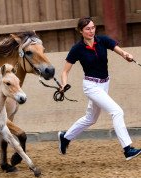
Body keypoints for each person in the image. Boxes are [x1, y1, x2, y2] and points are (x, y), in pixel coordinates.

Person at [58, 16, 141, 160]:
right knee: (117, 112)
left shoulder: (102, 40)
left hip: (104, 83)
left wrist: (125, 55)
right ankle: (127, 149)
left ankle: (65, 137)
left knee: (91, 118)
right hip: (91, 86)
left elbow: (118, 50)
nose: (91, 31)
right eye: (87, 29)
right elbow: (65, 71)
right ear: (81, 31)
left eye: (93, 27)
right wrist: (64, 84)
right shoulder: (77, 49)